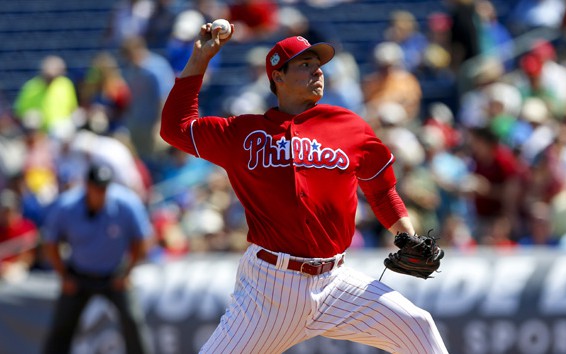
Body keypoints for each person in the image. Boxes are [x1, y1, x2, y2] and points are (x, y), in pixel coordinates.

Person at [160, 23, 448, 353]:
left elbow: (382, 191)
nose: (317, 72)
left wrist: (406, 234)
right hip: (269, 289)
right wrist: (200, 59)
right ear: (277, 77)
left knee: (418, 326)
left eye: (318, 65)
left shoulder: (349, 126)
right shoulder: (242, 133)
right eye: (304, 65)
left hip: (336, 283)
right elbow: (175, 128)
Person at [41, 164, 152, 354]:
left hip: (115, 274)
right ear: (87, 186)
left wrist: (127, 272)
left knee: (132, 321)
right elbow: (50, 243)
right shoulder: (67, 206)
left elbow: (142, 240)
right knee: (61, 328)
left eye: (105, 187)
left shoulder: (127, 203)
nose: (101, 192)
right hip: (78, 275)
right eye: (97, 187)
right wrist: (64, 275)